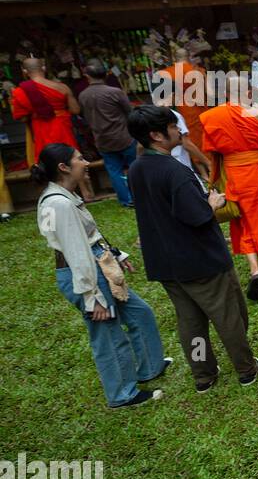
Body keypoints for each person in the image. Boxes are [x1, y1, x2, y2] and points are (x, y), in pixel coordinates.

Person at [126, 105, 258, 392]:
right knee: (228, 317)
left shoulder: (137, 169)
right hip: (200, 261)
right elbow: (197, 216)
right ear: (157, 135)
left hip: (165, 263)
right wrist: (211, 203)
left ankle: (204, 374)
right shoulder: (176, 172)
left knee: (191, 323)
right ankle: (245, 368)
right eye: (173, 127)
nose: (179, 132)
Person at [35, 143, 168, 408]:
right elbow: (75, 251)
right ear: (63, 167)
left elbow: (84, 237)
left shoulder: (59, 196)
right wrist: (91, 296)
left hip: (96, 266)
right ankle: (122, 394)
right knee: (108, 336)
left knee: (140, 314)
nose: (85, 163)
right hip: (85, 274)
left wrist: (115, 255)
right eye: (79, 158)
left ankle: (150, 368)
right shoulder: (59, 204)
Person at [200, 84, 258, 300]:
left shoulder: (214, 117)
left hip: (235, 174)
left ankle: (255, 269)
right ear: (248, 93)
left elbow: (213, 152)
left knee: (243, 220)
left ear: (226, 94)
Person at [11, 58, 93, 199]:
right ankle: (86, 192)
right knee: (72, 156)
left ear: (24, 71)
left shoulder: (20, 91)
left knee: (45, 159)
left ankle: (53, 193)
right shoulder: (62, 87)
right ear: (44, 68)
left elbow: (22, 117)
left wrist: (37, 111)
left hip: (41, 128)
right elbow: (75, 109)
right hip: (62, 126)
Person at [77, 58, 136, 207]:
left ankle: (126, 200)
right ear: (106, 75)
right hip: (124, 136)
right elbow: (130, 113)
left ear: (87, 76)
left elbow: (84, 116)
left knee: (114, 171)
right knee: (133, 167)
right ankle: (139, 195)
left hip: (102, 139)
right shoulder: (115, 92)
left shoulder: (83, 96)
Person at [153, 48, 207, 150]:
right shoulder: (198, 71)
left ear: (174, 58)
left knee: (184, 139)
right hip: (198, 111)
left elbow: (162, 98)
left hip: (178, 111)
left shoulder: (165, 73)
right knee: (201, 140)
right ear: (189, 57)